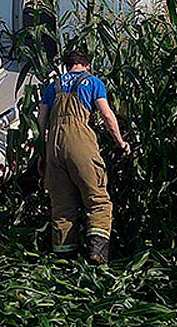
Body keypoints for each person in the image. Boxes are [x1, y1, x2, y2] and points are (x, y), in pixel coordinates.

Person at [37, 47, 130, 264]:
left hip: (54, 146)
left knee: (61, 206)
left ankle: (63, 260)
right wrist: (120, 141)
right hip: (80, 142)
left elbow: (42, 121)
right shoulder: (93, 82)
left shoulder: (53, 86)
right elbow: (106, 114)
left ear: (67, 65)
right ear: (86, 65)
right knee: (97, 200)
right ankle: (96, 254)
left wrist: (43, 151)